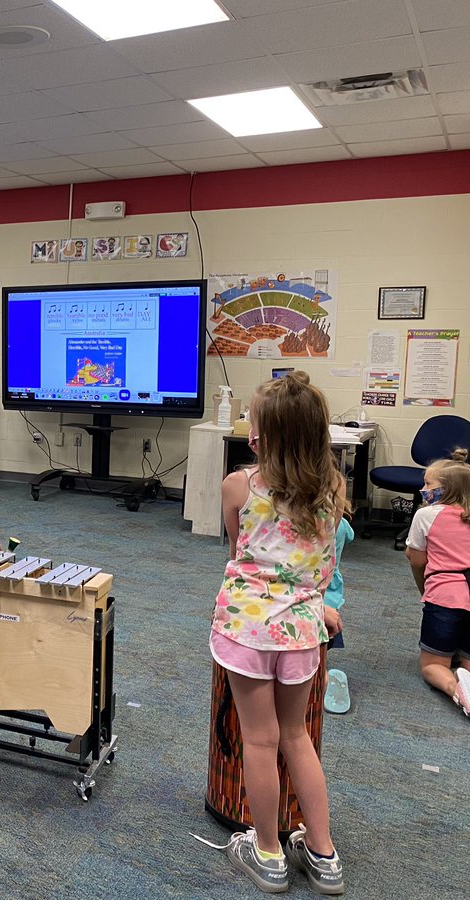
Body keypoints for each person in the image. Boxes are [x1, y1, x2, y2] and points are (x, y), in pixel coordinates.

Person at [196, 373, 345, 895]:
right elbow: (325, 566)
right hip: (302, 630)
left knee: (259, 742)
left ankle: (267, 852)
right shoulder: (332, 490)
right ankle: (324, 854)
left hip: (246, 629)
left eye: (254, 429)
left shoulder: (239, 485)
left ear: (266, 439)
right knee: (296, 737)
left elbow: (238, 550)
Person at [404, 449, 470, 726]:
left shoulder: (427, 515)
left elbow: (415, 559)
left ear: (448, 489)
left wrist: (425, 590)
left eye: (429, 485)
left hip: (446, 596)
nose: (423, 489)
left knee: (434, 665)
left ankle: (455, 690)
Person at [323, 500, 353, 713]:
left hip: (313, 586)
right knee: (325, 636)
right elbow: (350, 536)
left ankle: (321, 677)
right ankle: (322, 669)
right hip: (332, 587)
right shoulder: (341, 524)